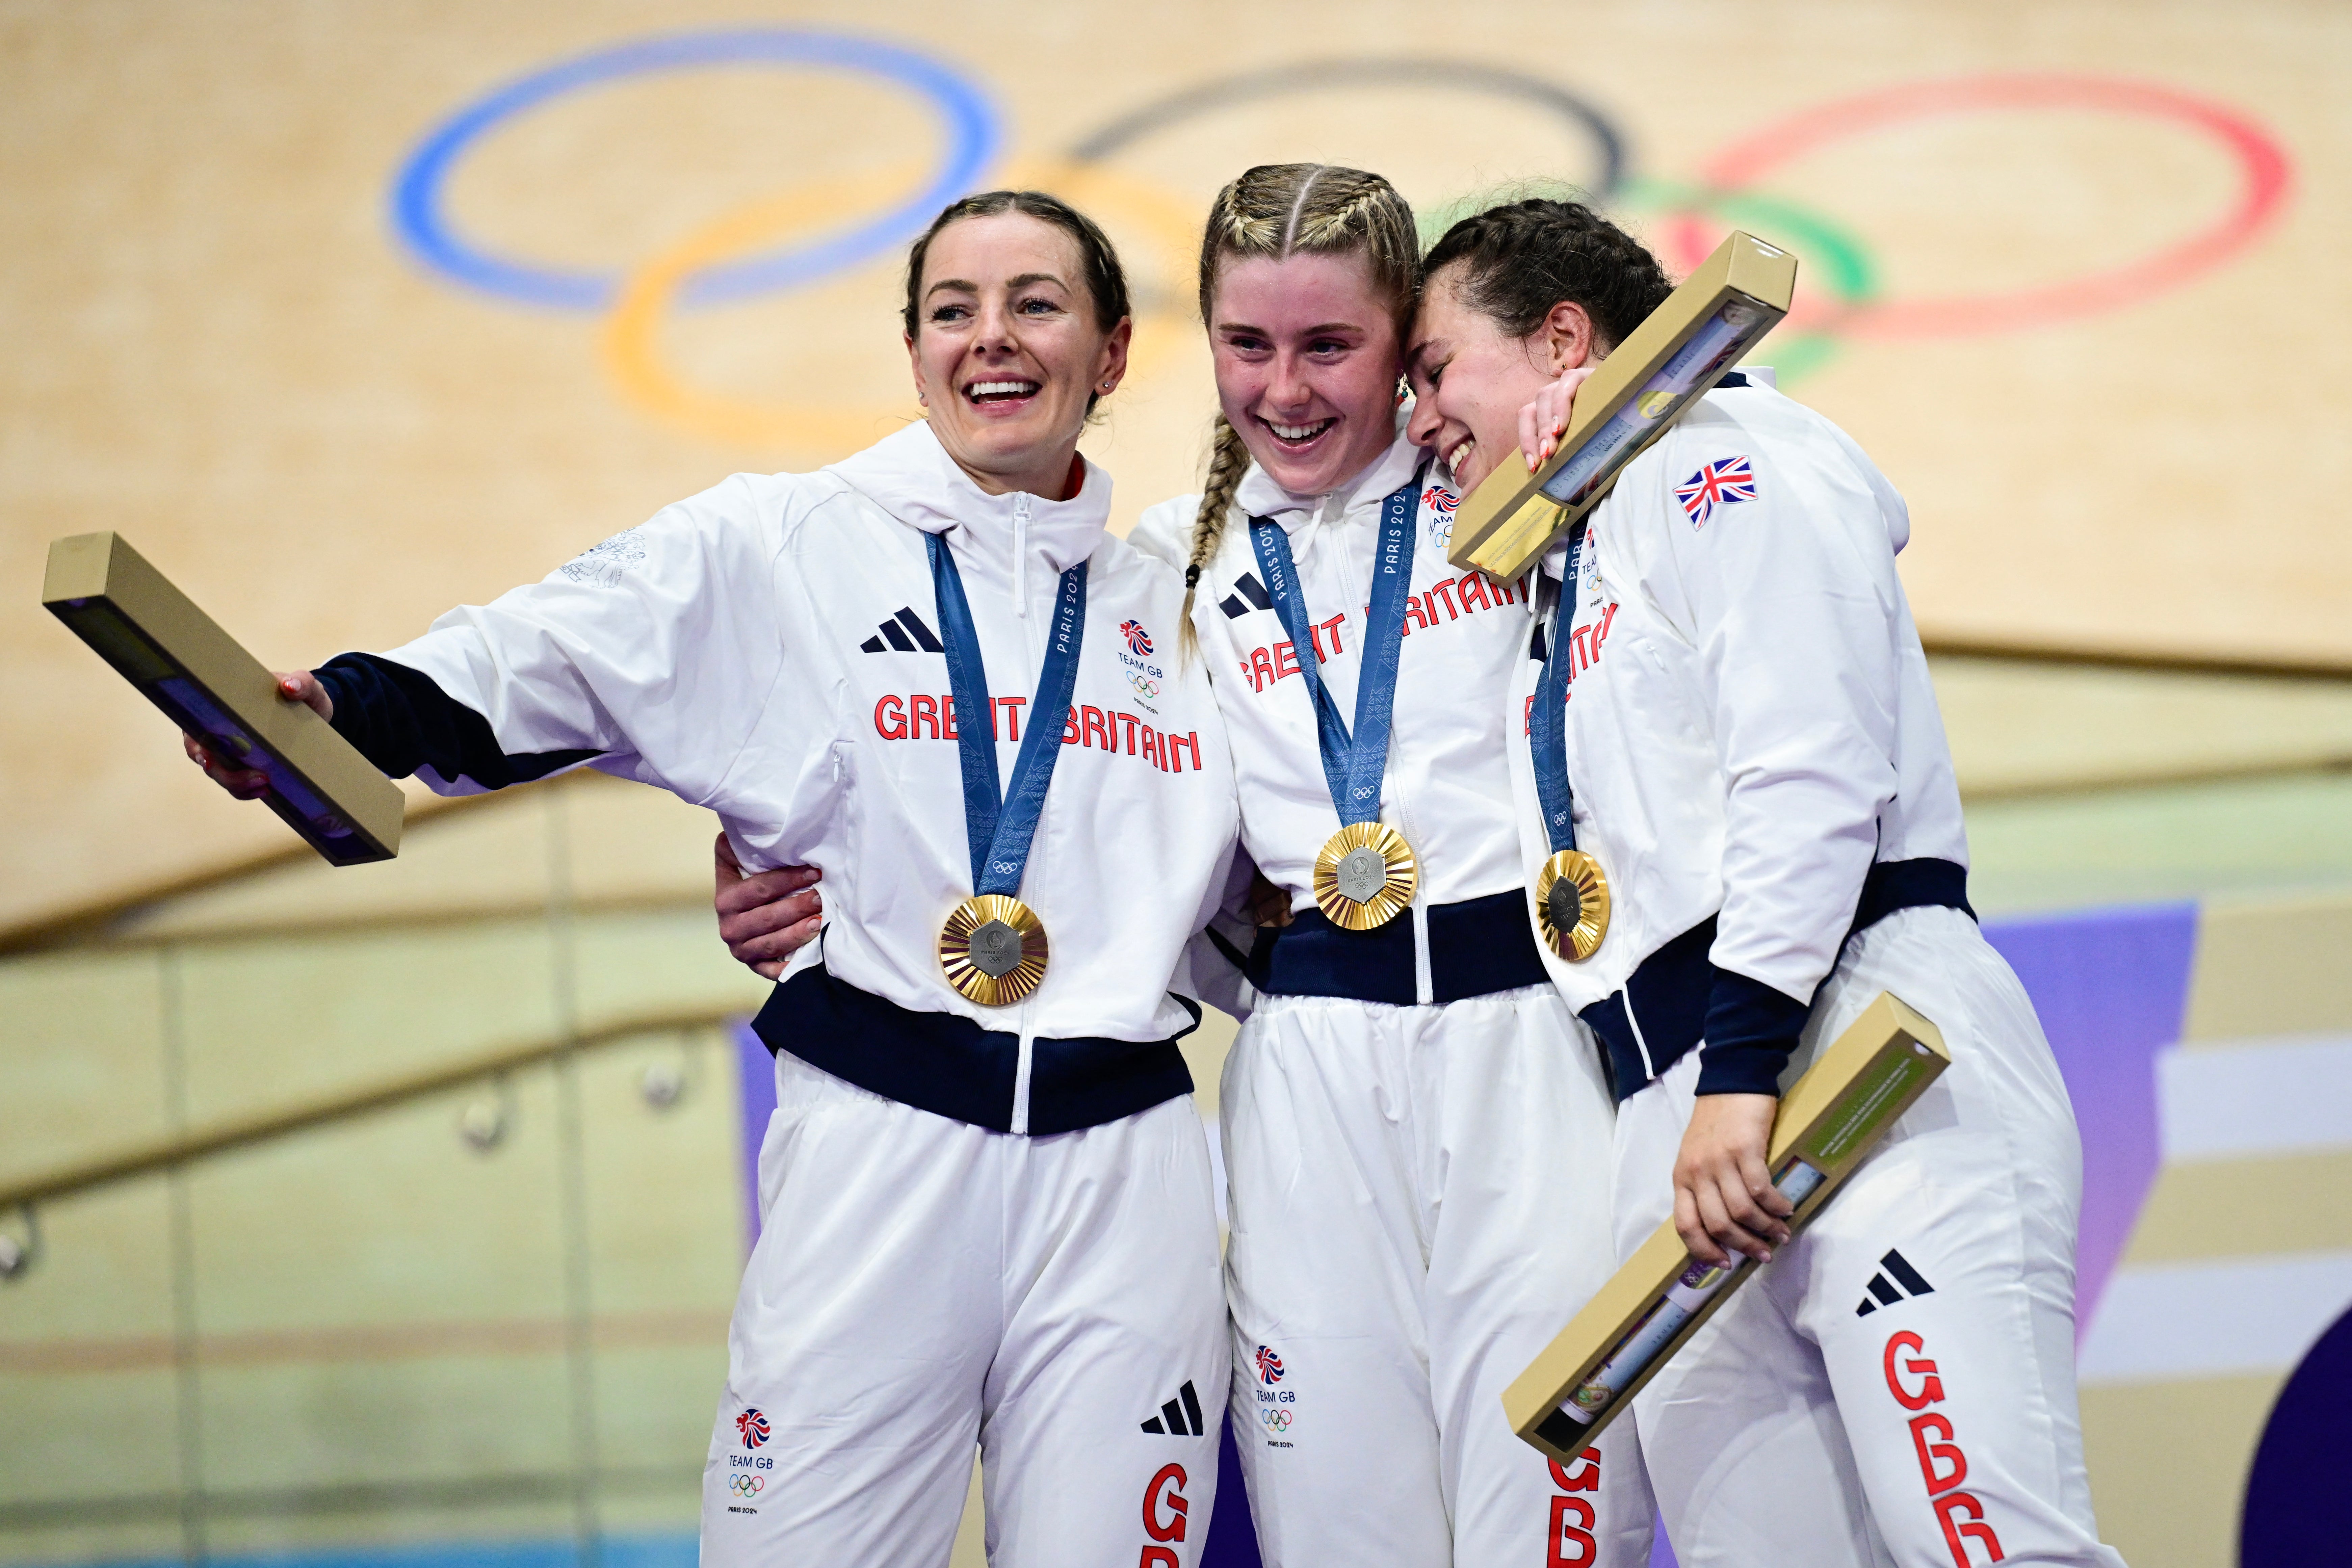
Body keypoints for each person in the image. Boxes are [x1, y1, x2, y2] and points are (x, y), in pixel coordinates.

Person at [186, 190, 1240, 1568]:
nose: (992, 340)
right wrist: (343, 709)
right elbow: (562, 644)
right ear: (913, 350)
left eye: (1035, 304)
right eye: (950, 311)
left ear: (1107, 355)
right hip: (882, 1148)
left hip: (1128, 1176)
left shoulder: (1178, 595)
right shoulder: (787, 542)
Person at [1408, 196, 2125, 1567]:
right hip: (1679, 1113)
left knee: (1987, 1546)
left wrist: (1738, 1074)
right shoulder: (1578, 552)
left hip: (1846, 1043)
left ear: (1563, 337)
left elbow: (1808, 780)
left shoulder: (1728, 459)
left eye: (1436, 370)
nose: (1418, 415)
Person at [1135, 164, 1649, 1568]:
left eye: (1330, 347)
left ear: (1402, 340)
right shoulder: (1161, 574)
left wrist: (1592, 419)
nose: (1284, 390)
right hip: (1308, 1080)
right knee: (1339, 1529)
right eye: (1247, 345)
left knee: (1553, 1503)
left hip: (1530, 1049)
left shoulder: (1514, 485)